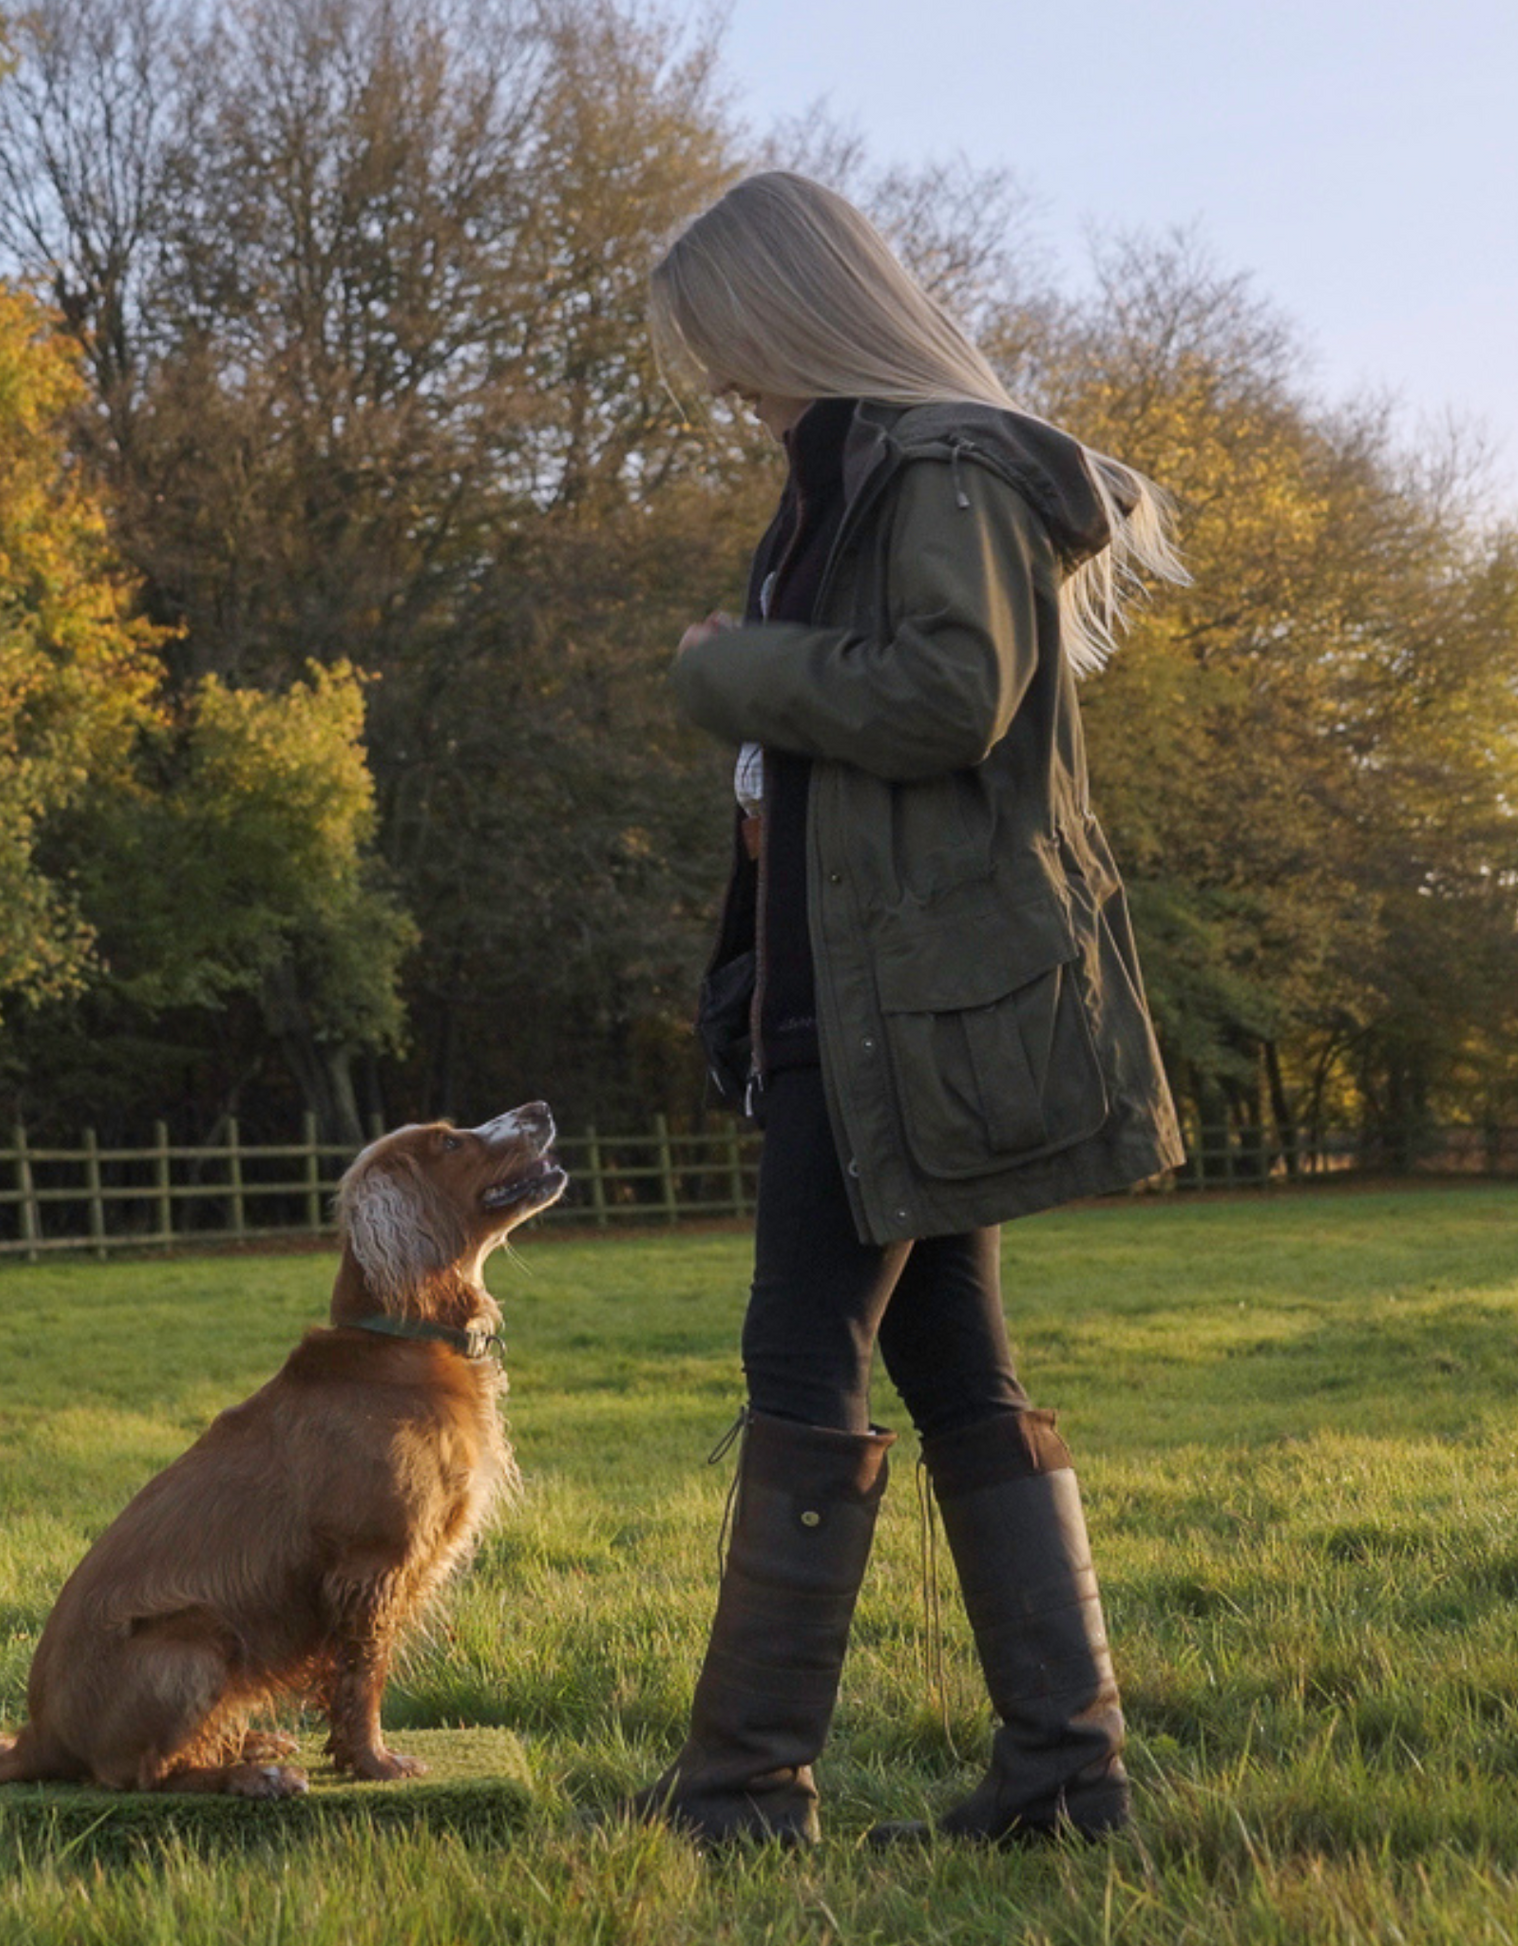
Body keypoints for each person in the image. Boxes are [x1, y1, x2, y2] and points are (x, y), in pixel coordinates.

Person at [630, 171, 1186, 1849]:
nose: (718, 383)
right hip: (855, 996)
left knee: (802, 1348)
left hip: (897, 1010)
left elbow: (948, 696)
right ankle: (1064, 1775)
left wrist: (726, 667)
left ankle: (740, 1793)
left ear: (786, 307)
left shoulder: (936, 469)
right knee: (952, 1355)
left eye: (720, 345)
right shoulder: (843, 481)